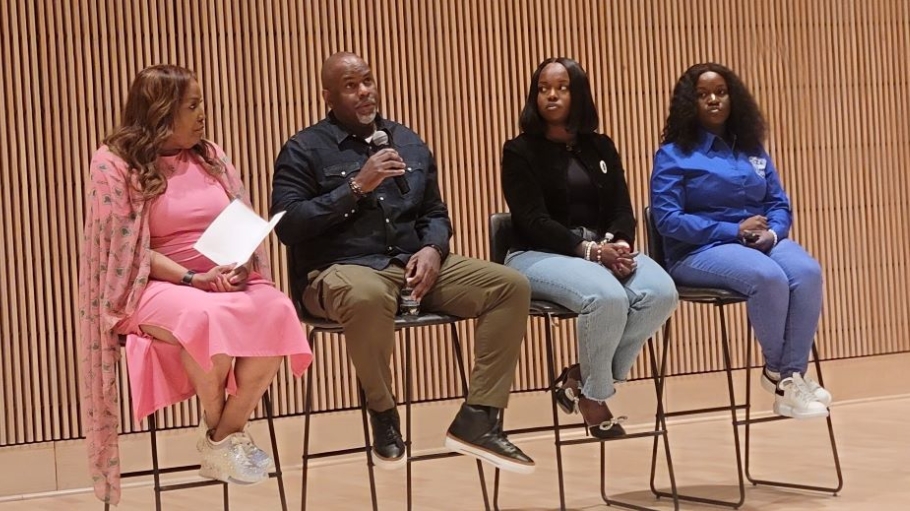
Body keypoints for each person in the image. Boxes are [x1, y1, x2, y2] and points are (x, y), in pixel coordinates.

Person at [271, 52, 535, 474]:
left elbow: (435, 212)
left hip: (411, 266)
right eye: (351, 86)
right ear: (328, 95)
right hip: (340, 271)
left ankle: (479, 417)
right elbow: (288, 225)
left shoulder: (407, 140)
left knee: (510, 286)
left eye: (368, 81)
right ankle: (384, 414)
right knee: (367, 294)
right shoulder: (304, 149)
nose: (364, 92)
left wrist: (433, 249)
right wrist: (358, 185)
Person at [79, 65, 312, 504]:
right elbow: (124, 249)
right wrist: (192, 277)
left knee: (277, 308)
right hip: (152, 286)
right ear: (162, 111)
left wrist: (242, 263)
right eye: (193, 105)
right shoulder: (113, 162)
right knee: (205, 316)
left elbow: (238, 219)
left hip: (220, 279)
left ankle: (221, 438)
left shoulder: (210, 155)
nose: (203, 113)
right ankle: (223, 435)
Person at [501, 57, 678, 439]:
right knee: (608, 297)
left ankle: (581, 376)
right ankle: (593, 397)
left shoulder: (600, 145)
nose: (551, 95)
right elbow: (532, 220)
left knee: (661, 293)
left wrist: (620, 243)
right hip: (536, 255)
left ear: (578, 94)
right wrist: (591, 252)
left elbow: (620, 208)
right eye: (543, 88)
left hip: (602, 249)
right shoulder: (519, 151)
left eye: (561, 87)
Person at [650, 62, 831, 420]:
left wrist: (773, 232)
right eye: (703, 95)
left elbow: (778, 202)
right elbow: (668, 220)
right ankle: (784, 377)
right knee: (768, 277)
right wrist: (733, 230)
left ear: (733, 98)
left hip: (757, 242)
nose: (714, 100)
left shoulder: (751, 148)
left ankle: (788, 375)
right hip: (699, 251)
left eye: (720, 92)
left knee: (807, 271)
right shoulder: (673, 155)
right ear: (690, 104)